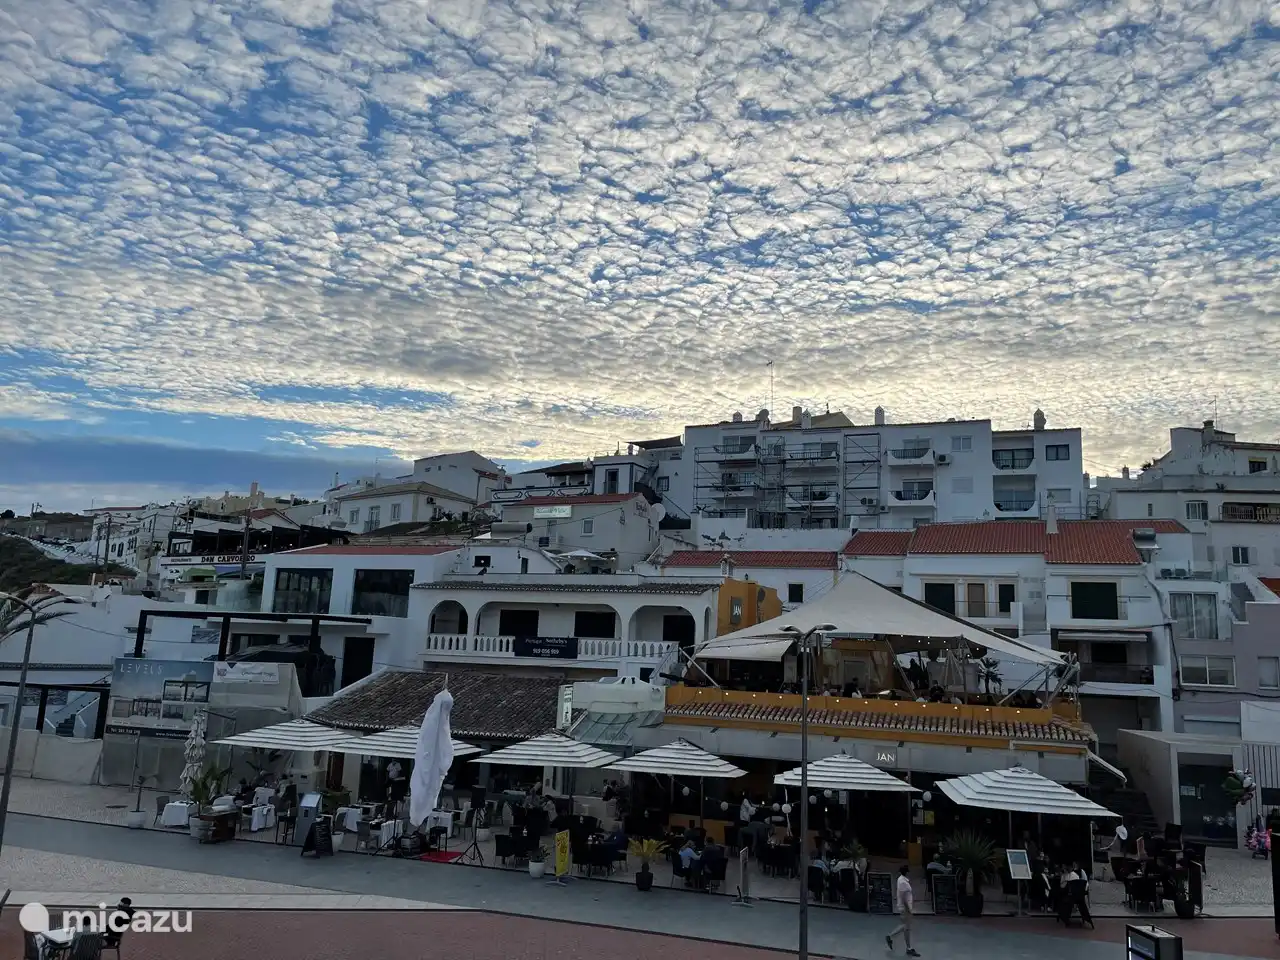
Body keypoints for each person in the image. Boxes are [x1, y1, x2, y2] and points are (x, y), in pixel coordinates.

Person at [886, 865, 919, 956]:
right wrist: (909, 910)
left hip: (904, 907)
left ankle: (908, 948)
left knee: (906, 928)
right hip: (905, 908)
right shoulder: (903, 882)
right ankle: (891, 936)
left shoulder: (901, 880)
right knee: (905, 926)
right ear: (907, 872)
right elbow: (904, 897)